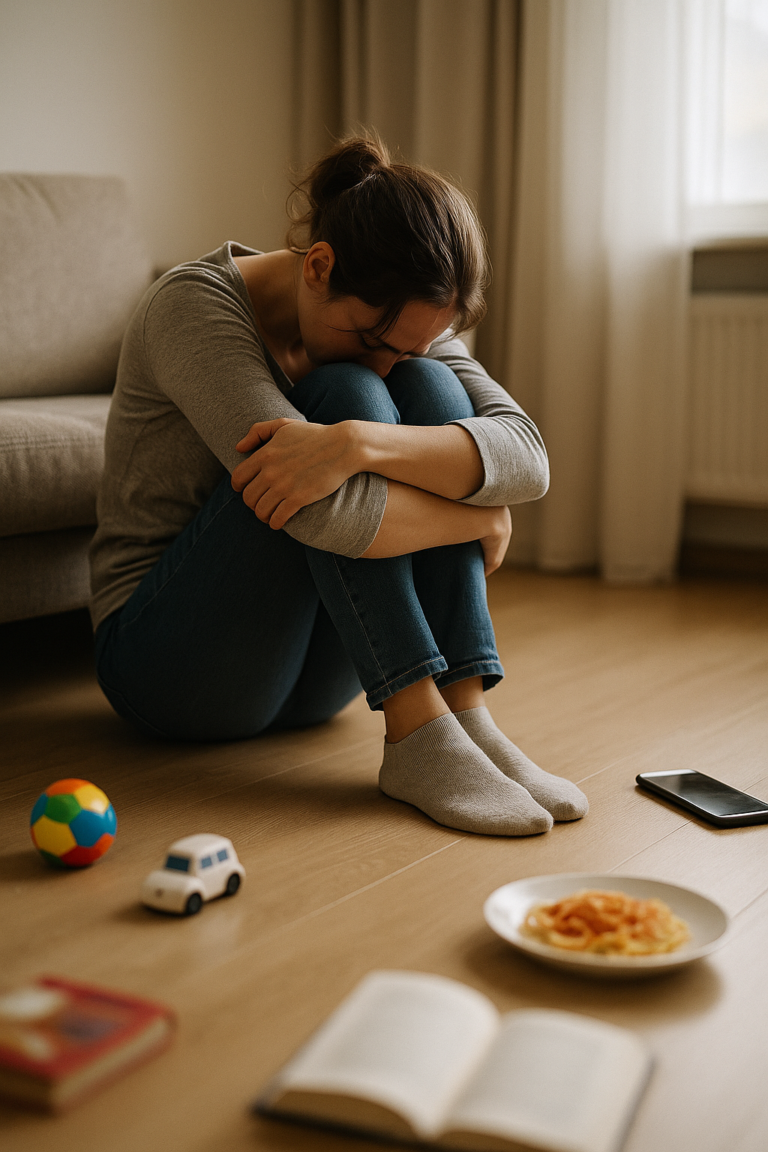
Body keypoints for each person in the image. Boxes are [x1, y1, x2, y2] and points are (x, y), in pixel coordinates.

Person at [90, 135, 588, 837]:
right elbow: (327, 518)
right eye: (373, 338)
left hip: (315, 684)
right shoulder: (192, 308)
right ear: (319, 266)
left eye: (408, 343)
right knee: (341, 391)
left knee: (432, 386)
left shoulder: (403, 319)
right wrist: (476, 516)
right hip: (168, 670)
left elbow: (527, 457)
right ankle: (419, 736)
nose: (389, 362)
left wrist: (358, 442)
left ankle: (466, 716)